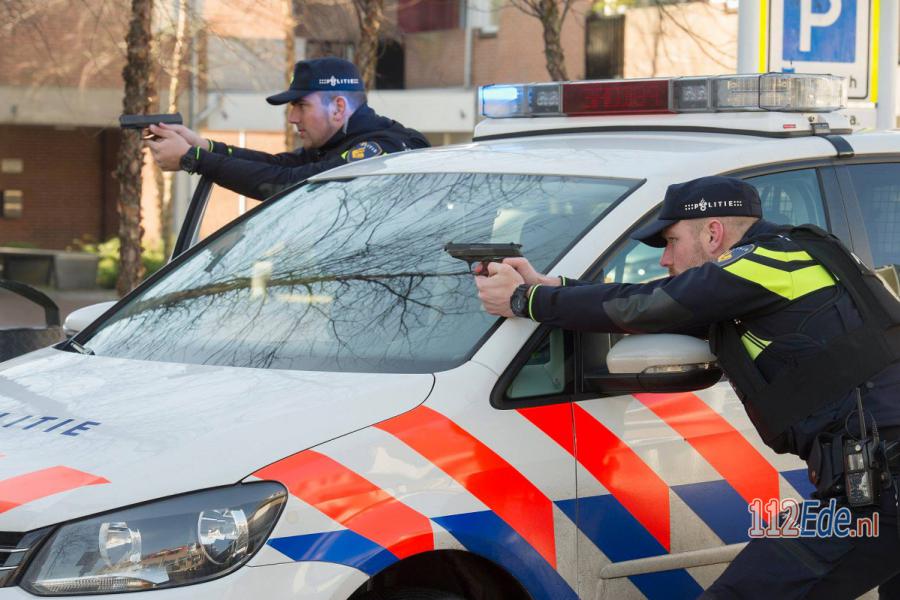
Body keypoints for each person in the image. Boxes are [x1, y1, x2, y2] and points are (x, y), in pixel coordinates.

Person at [475, 175, 900, 599]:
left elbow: (654, 305)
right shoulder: (788, 261)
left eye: (671, 242)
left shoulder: (766, 262)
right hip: (874, 480)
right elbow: (656, 302)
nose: (665, 260)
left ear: (713, 233)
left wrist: (525, 301)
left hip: (879, 487)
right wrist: (552, 288)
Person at [145, 57, 429, 200]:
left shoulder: (378, 150)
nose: (292, 118)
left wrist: (192, 159)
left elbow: (287, 183)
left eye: (301, 106)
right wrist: (204, 147)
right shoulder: (337, 145)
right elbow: (277, 165)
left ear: (338, 107)